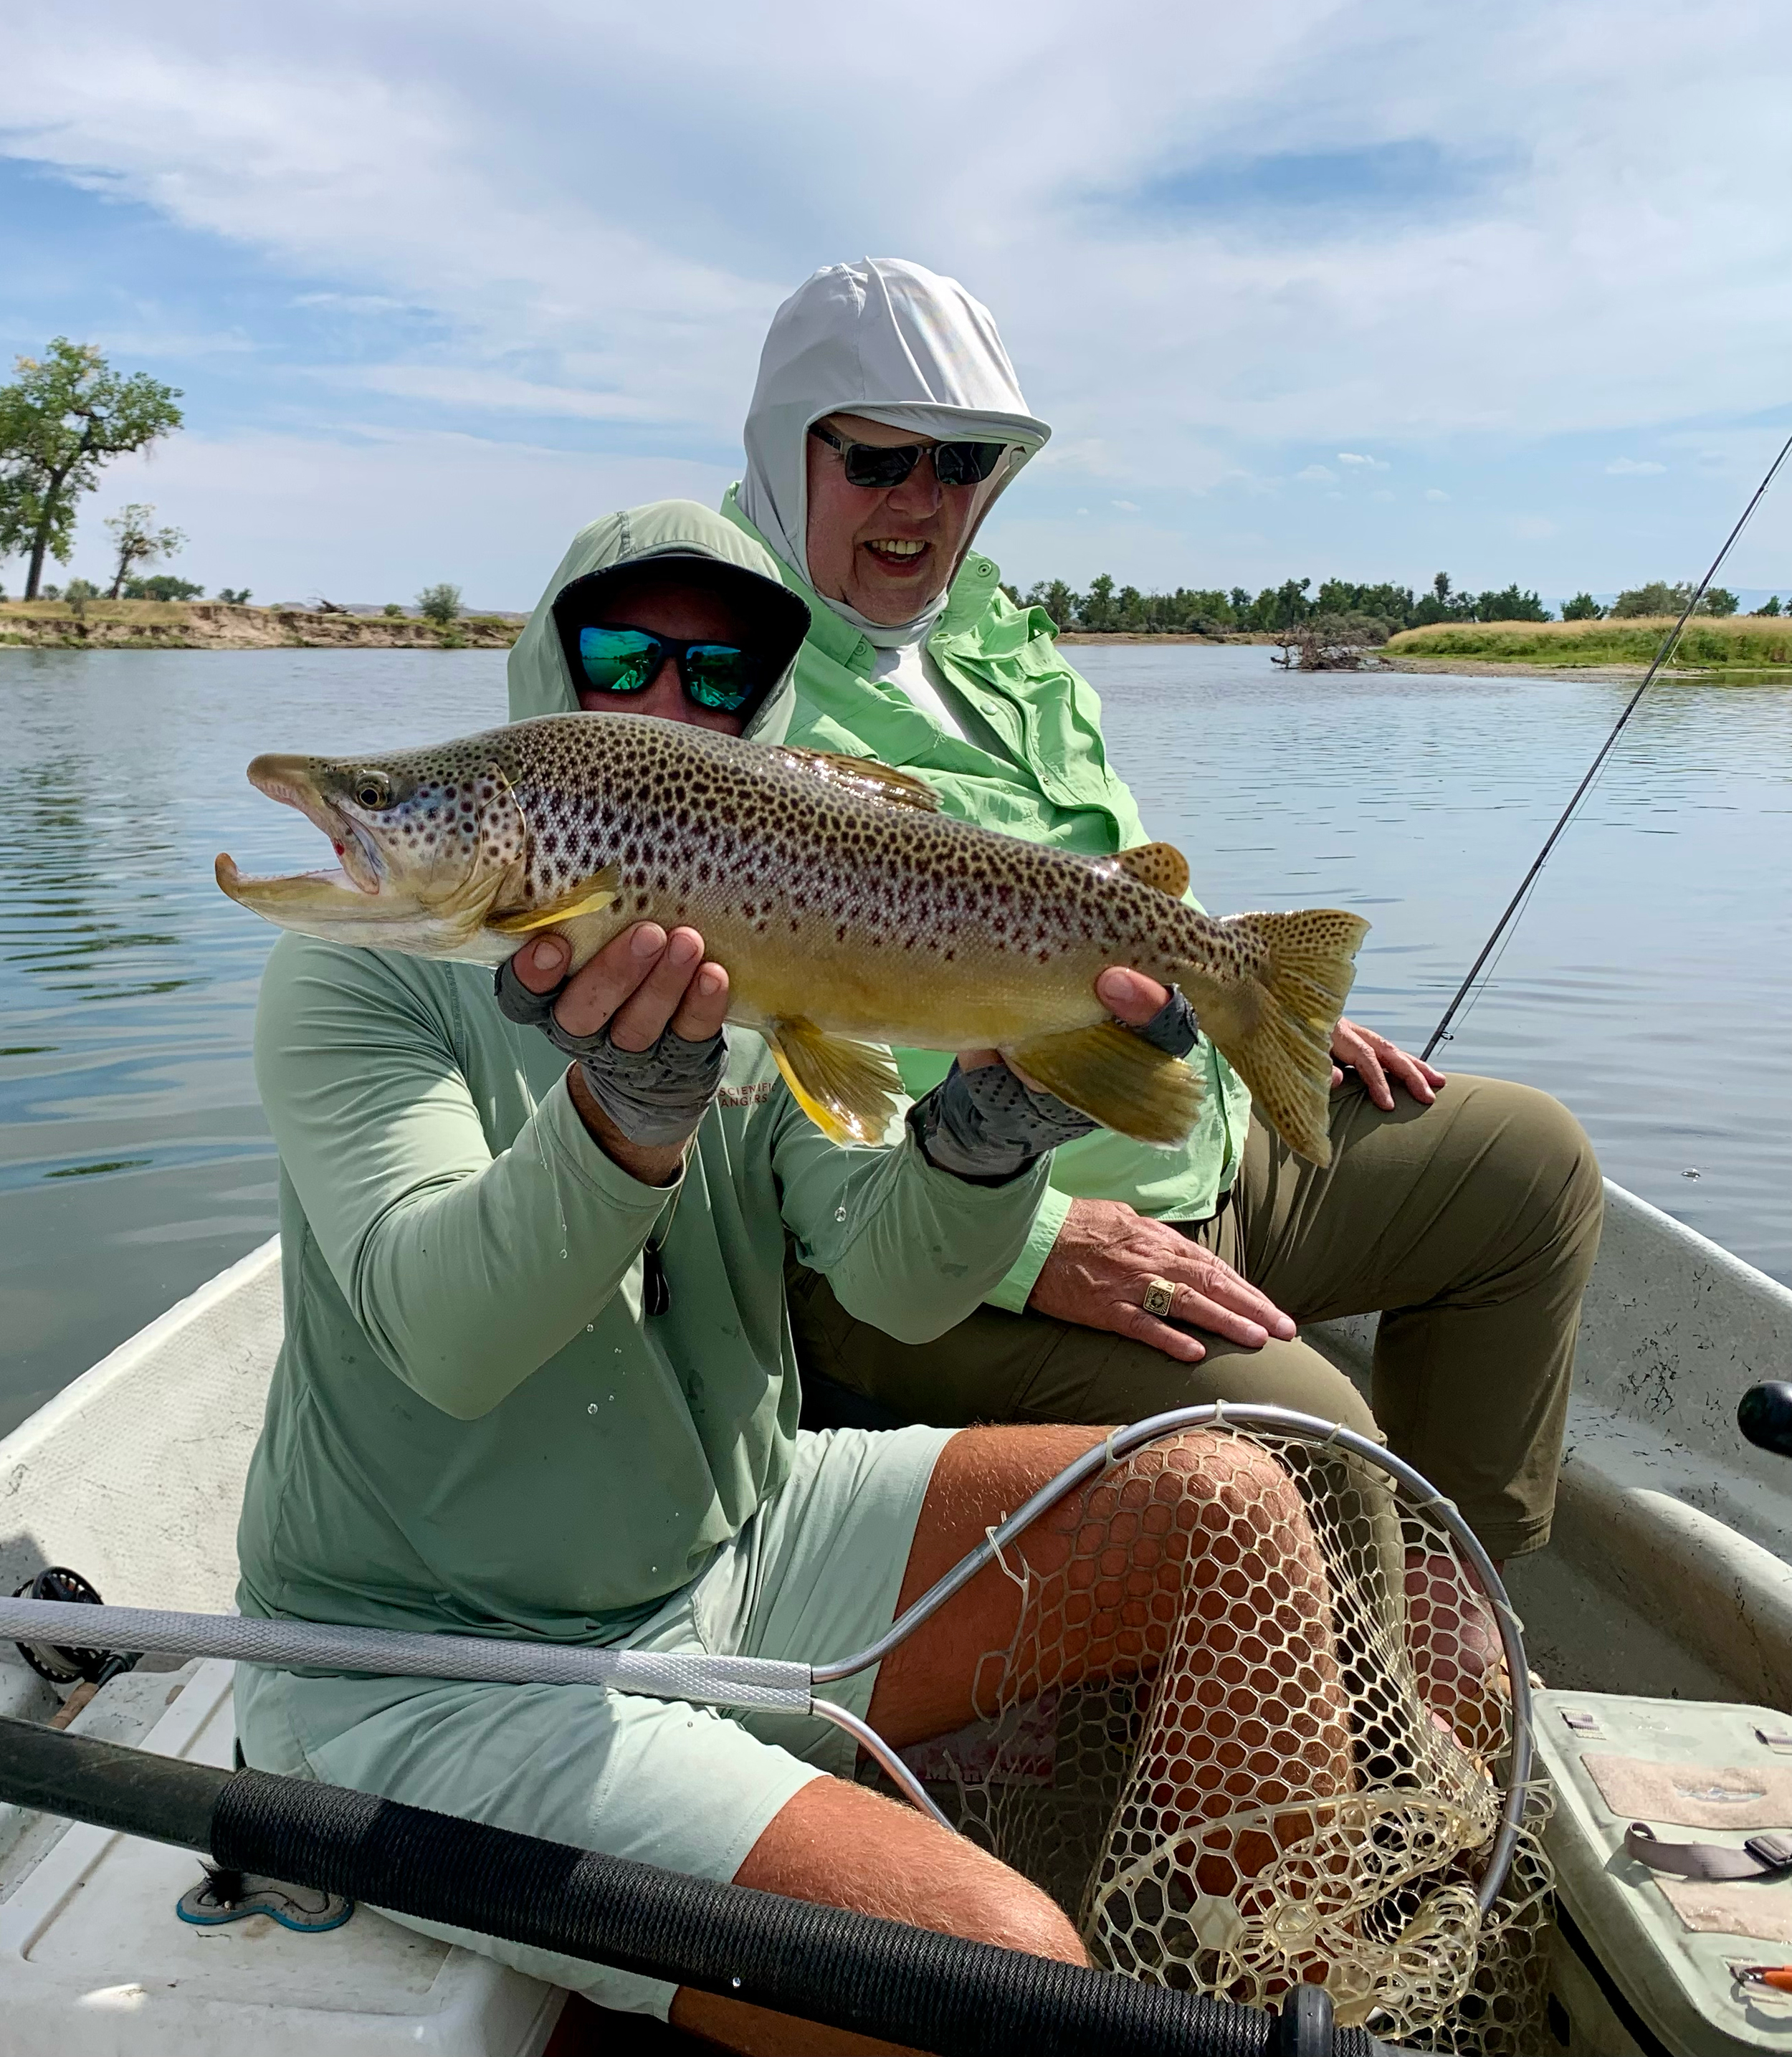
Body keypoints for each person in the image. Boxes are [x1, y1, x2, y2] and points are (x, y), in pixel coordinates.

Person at [232, 498, 1351, 2053]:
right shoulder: (350, 978)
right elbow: (445, 1337)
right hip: (423, 1660)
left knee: (1229, 1505)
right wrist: (626, 1120)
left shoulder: (769, 961)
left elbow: (897, 1281)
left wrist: (991, 1125)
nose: (666, 698)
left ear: (765, 706)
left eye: (720, 668)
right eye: (623, 652)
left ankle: (1284, 1999)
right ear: (544, 681)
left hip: (731, 1553)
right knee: (991, 1966)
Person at [723, 259, 1605, 1567]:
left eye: (965, 464)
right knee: (1314, 1431)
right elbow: (747, 1070)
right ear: (788, 447)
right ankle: (1363, 1731)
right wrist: (1032, 1241)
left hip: (1190, 1139)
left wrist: (1262, 1009)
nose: (926, 499)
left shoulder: (1000, 649)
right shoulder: (717, 676)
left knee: (1530, 1170)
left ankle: (1452, 1610)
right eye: (880, 460)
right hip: (941, 1251)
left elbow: (1110, 905)